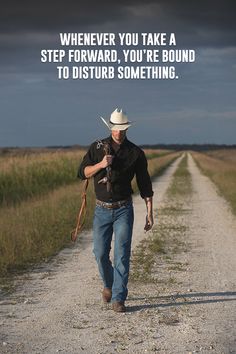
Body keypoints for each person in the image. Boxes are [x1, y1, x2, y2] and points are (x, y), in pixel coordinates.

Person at [78, 108, 154, 312]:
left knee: (122, 254)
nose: (118, 132)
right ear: (110, 127)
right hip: (101, 210)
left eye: (122, 128)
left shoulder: (135, 153)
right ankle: (109, 285)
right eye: (115, 128)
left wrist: (149, 212)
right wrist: (101, 164)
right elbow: (82, 172)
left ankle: (119, 298)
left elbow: (145, 184)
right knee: (100, 253)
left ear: (126, 128)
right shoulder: (97, 147)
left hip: (123, 209)